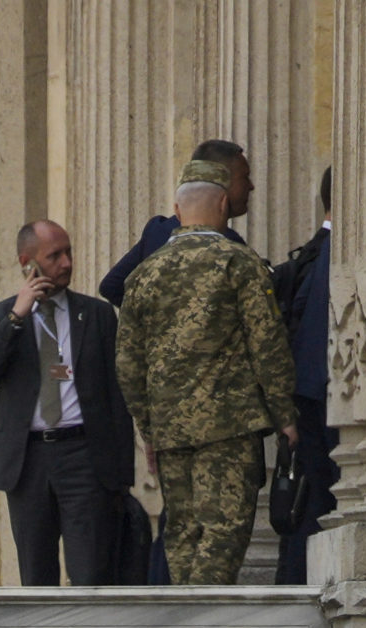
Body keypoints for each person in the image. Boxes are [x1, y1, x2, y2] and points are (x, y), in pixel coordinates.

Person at [116, 180, 299, 586]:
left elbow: (128, 365)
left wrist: (148, 429)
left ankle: (187, 620)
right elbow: (266, 343)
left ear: (177, 212)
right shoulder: (239, 263)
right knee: (224, 529)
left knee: (182, 531)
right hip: (230, 426)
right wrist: (285, 414)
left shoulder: (143, 275)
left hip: (170, 429)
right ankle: (202, 620)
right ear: (222, 204)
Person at [0, 220, 136, 587]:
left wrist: (122, 477)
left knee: (90, 573)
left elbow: (117, 395)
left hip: (84, 457)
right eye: (54, 255)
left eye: (69, 252)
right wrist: (17, 317)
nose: (66, 263)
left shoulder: (96, 315)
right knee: (36, 576)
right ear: (27, 262)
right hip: (28, 462)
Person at [272, 169, 339, 587]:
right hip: (324, 398)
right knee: (317, 503)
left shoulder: (312, 253)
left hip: (308, 396)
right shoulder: (330, 252)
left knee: (311, 502)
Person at [98, 141, 254, 306]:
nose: (251, 186)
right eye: (244, 177)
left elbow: (111, 286)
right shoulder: (231, 245)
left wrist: (151, 320)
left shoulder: (158, 230)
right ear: (219, 180)